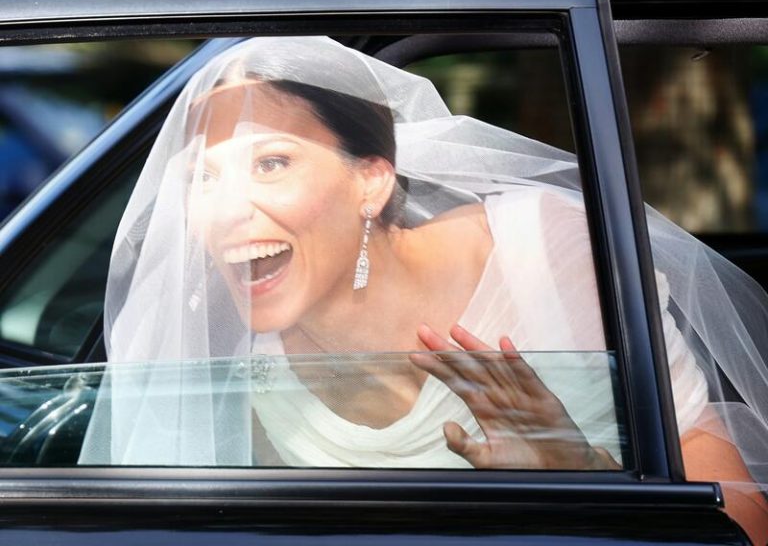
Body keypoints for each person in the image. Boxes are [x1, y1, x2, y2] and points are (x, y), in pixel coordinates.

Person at [80, 37, 767, 541]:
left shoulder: (542, 251)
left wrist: (582, 472)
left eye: (272, 163)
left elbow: (744, 521)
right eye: (203, 178)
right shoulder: (244, 371)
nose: (226, 210)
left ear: (371, 180)